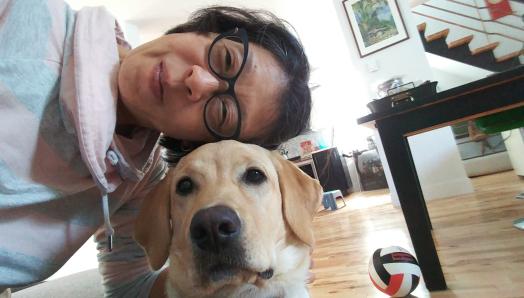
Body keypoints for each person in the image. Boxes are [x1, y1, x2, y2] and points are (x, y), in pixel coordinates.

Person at [0, 0, 311, 297]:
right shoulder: (21, 13)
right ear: (202, 28)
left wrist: (266, 279)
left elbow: (130, 290)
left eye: (221, 113)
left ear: (199, 142)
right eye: (226, 58)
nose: (198, 81)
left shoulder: (140, 185)